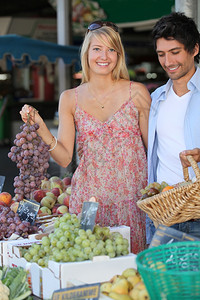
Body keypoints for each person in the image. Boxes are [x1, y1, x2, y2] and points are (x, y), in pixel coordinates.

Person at [20, 21, 151, 253]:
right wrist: (40, 126)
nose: (104, 56)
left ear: (119, 55)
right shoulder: (70, 98)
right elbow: (63, 158)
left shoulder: (137, 92)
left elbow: (154, 151)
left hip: (133, 202)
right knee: (90, 264)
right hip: (89, 203)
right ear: (87, 53)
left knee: (132, 273)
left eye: (111, 49)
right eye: (97, 49)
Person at [146, 12, 200, 244]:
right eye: (162, 54)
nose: (168, 62)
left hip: (197, 213)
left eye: (175, 52)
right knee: (160, 279)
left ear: (194, 49)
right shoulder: (157, 98)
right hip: (165, 214)